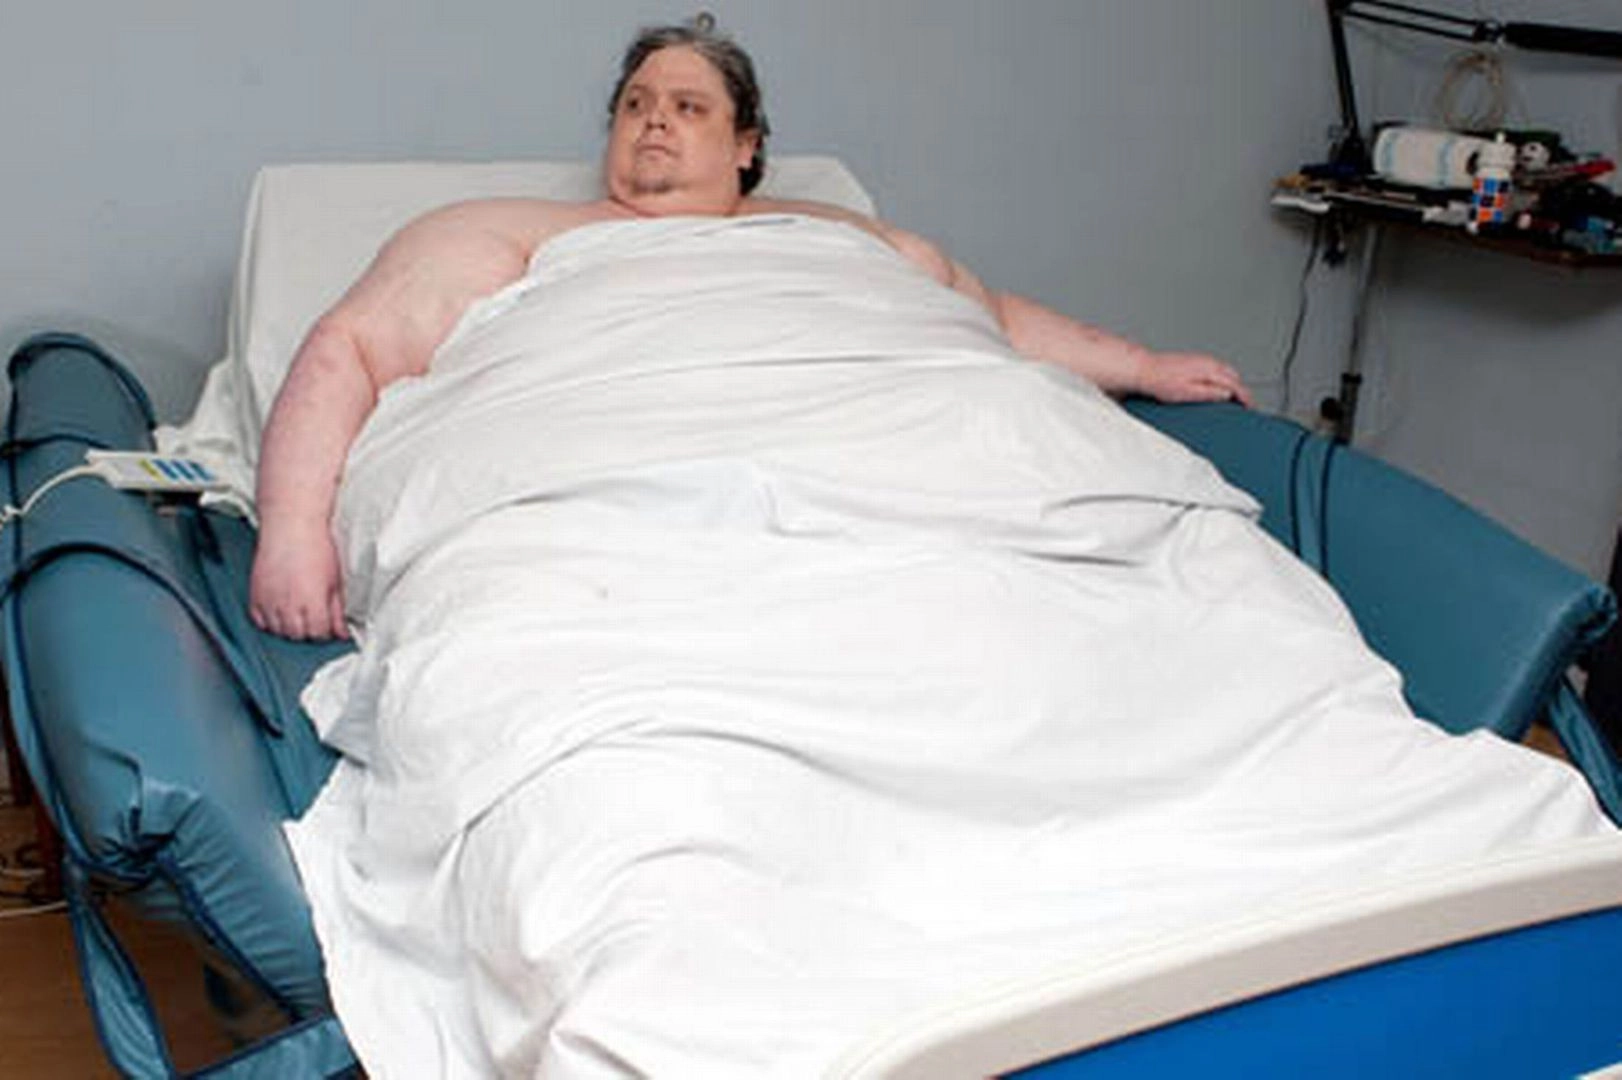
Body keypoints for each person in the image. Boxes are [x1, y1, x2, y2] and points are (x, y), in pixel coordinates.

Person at [248, 19, 1254, 642]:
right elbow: (348, 349)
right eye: (635, 104)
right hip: (637, 494)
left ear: (745, 146)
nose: (653, 120)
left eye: (687, 107)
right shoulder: (508, 232)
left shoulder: (843, 238)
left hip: (894, 461)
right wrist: (291, 536)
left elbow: (983, 320)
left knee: (1164, 578)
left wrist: (1143, 365)